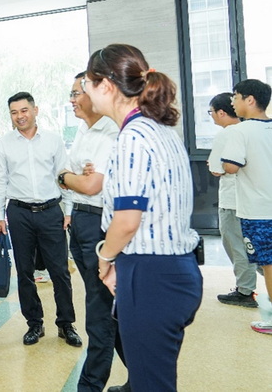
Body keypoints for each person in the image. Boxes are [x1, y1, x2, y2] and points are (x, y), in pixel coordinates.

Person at [86, 44, 202, 390]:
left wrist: (105, 258)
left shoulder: (133, 138)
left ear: (106, 85)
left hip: (152, 277)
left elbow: (127, 221)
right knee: (149, 379)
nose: (85, 92)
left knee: (151, 384)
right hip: (173, 269)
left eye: (88, 84)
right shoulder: (160, 129)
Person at [0, 91, 80, 347]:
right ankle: (34, 323)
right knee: (25, 272)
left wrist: (68, 210)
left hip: (51, 211)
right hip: (18, 213)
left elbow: (64, 176)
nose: (19, 116)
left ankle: (66, 324)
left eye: (24, 110)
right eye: (14, 112)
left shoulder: (53, 140)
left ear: (35, 110)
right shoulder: (4, 144)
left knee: (60, 271)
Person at [57, 72, 125, 392]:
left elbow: (89, 184)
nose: (72, 100)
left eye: (77, 93)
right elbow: (74, 181)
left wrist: (66, 176)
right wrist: (72, 178)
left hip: (100, 224)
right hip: (82, 222)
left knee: (100, 311)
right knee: (109, 309)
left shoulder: (110, 131)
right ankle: (140, 378)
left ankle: (90, 385)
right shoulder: (85, 131)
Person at [220, 79, 272, 335]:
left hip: (258, 210)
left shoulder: (239, 131)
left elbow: (230, 167)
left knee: (269, 265)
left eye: (236, 96)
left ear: (250, 100)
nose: (233, 102)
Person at [208, 92, 257, 308]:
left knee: (236, 245)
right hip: (254, 199)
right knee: (254, 245)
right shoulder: (251, 130)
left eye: (211, 112)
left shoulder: (226, 134)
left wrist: (215, 166)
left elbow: (217, 169)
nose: (211, 116)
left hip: (232, 200)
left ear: (221, 112)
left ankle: (245, 291)